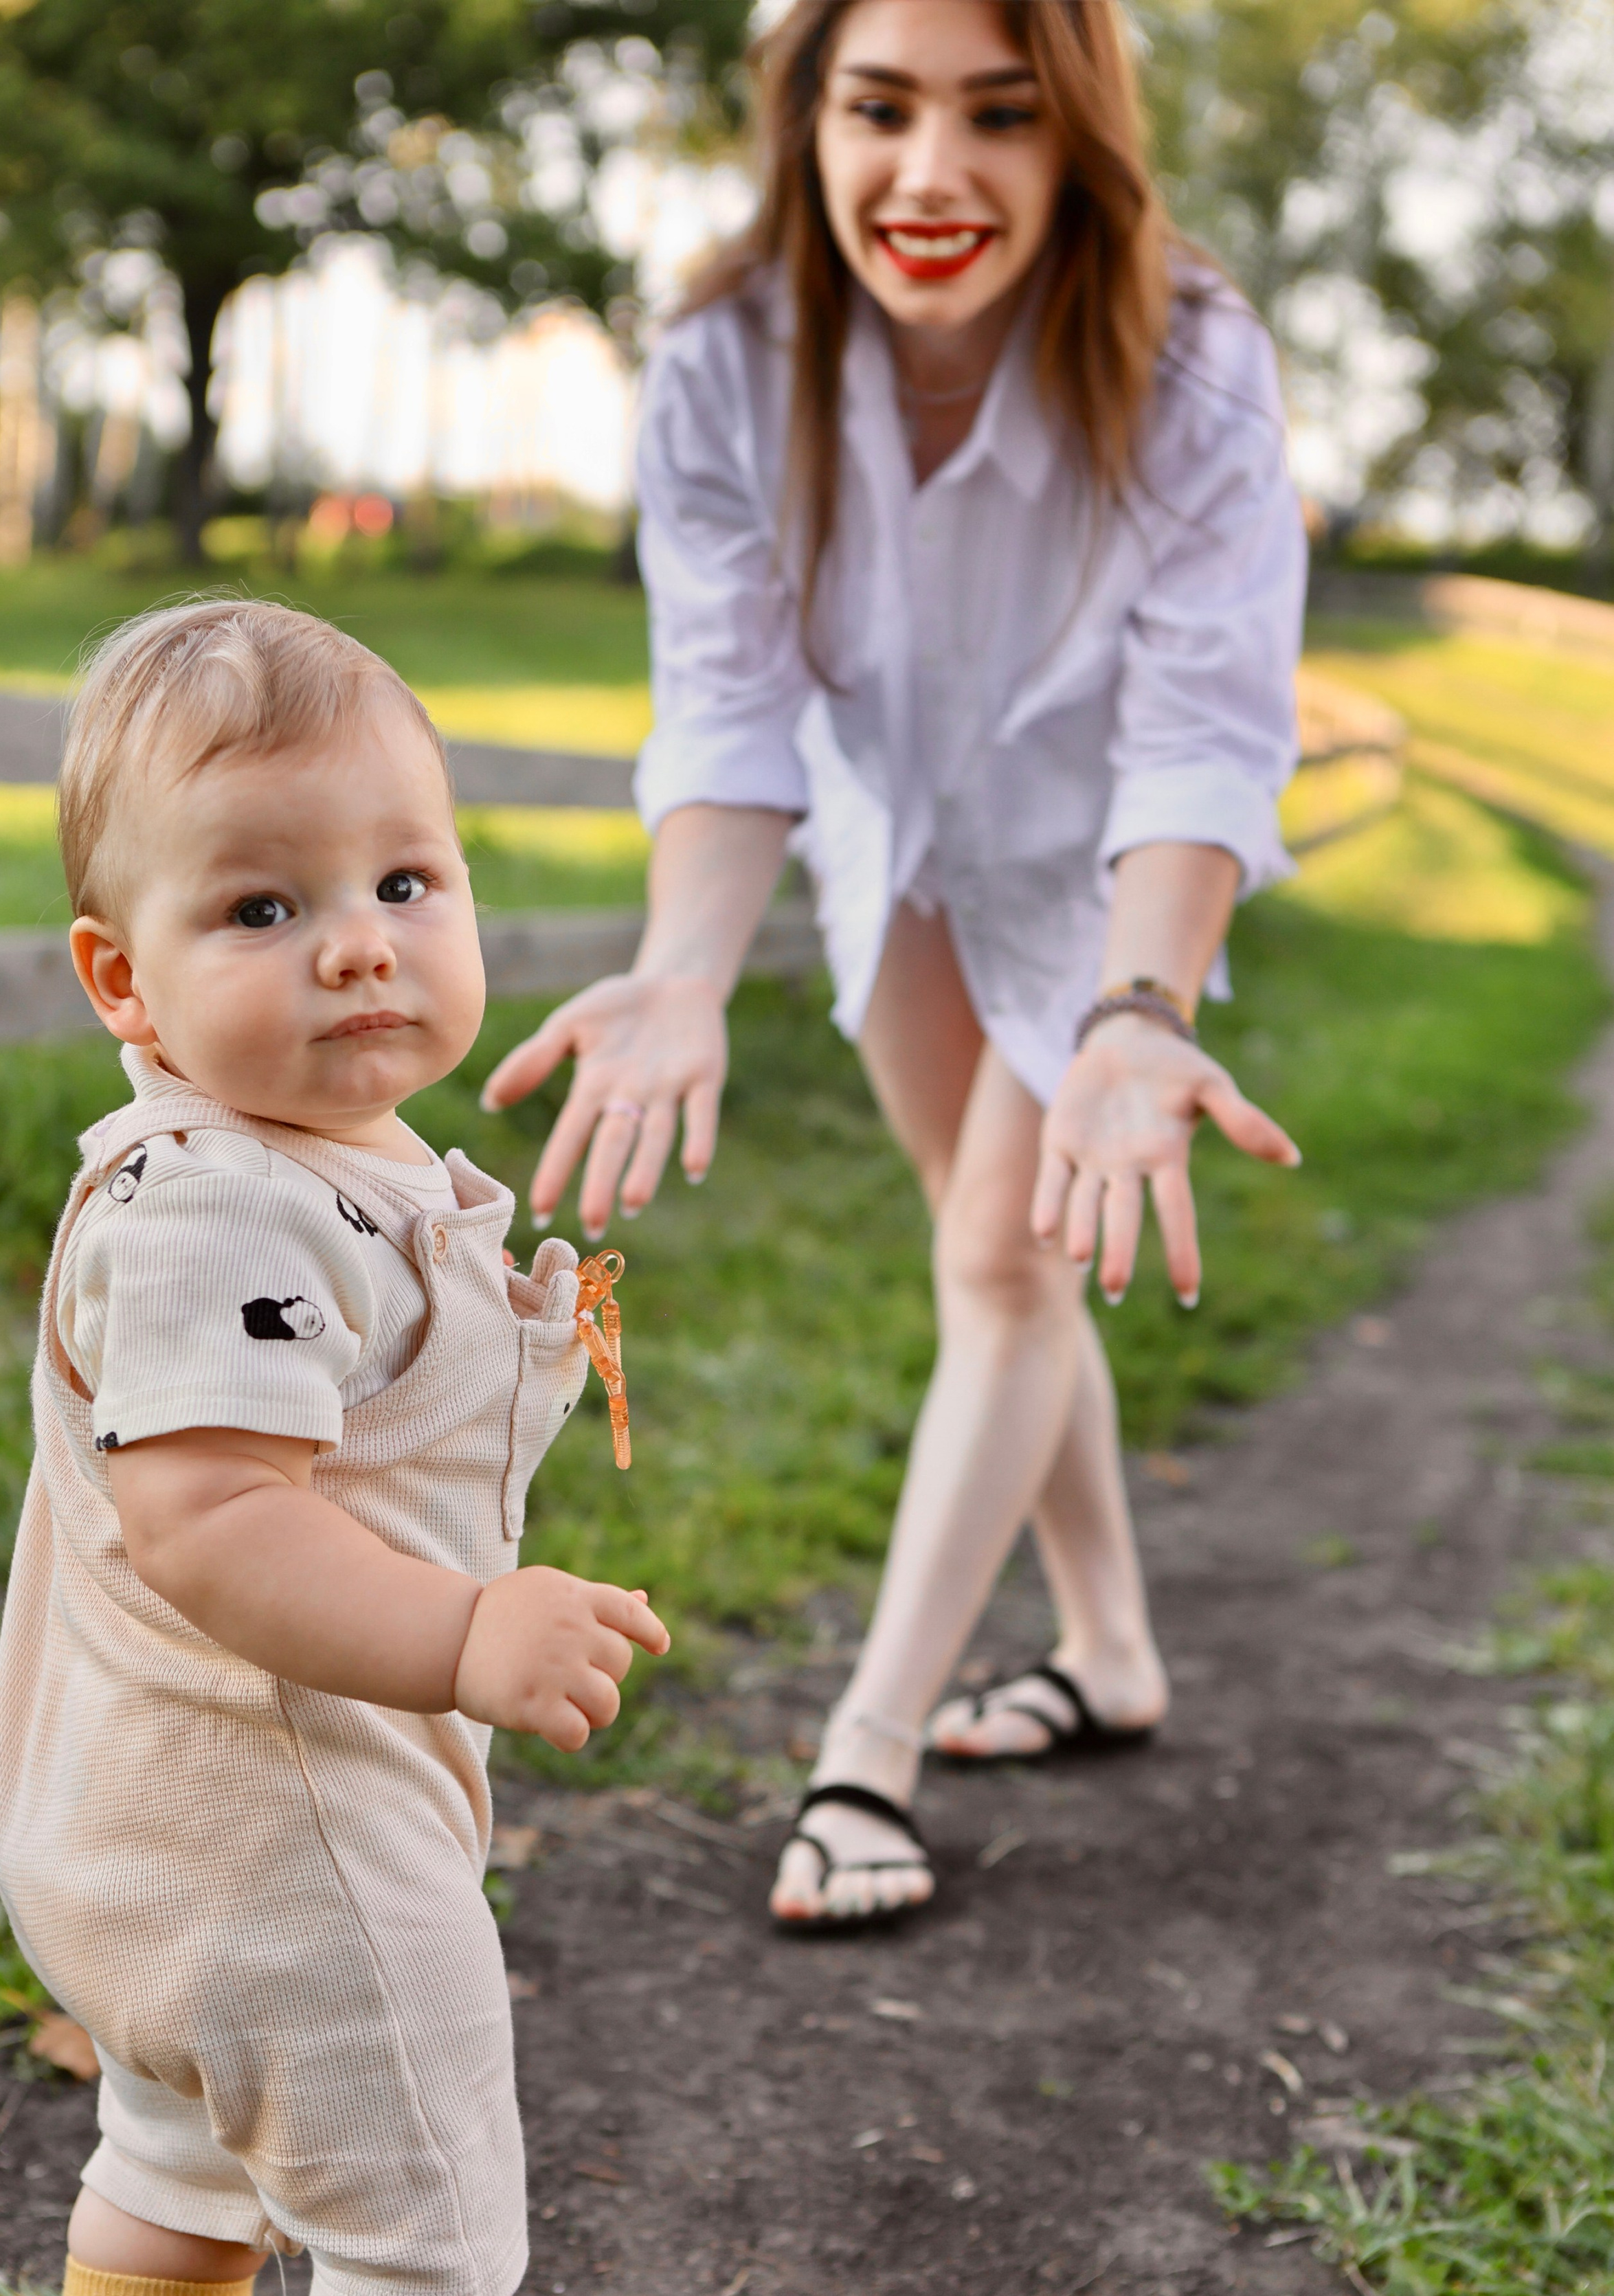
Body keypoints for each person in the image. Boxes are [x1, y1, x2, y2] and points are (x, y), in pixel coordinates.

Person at [482, 0, 1306, 1931]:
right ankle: (1109, 1652)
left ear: (1076, 138)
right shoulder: (720, 364)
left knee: (1002, 1263)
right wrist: (685, 965)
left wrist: (1140, 1008)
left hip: (1110, 860)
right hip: (887, 838)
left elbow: (1203, 726)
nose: (931, 174)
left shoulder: (1193, 355)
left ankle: (869, 1745)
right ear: (807, 119)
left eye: (999, 116)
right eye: (882, 108)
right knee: (997, 1243)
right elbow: (730, 706)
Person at [0, 602, 668, 2296]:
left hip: (140, 1836)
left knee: (179, 2156)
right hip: (295, 1849)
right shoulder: (217, 1211)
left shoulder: (307, 1162)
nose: (360, 940)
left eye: (403, 881)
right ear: (128, 978)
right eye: (267, 906)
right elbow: (208, 1525)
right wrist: (464, 1637)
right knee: (426, 2231)